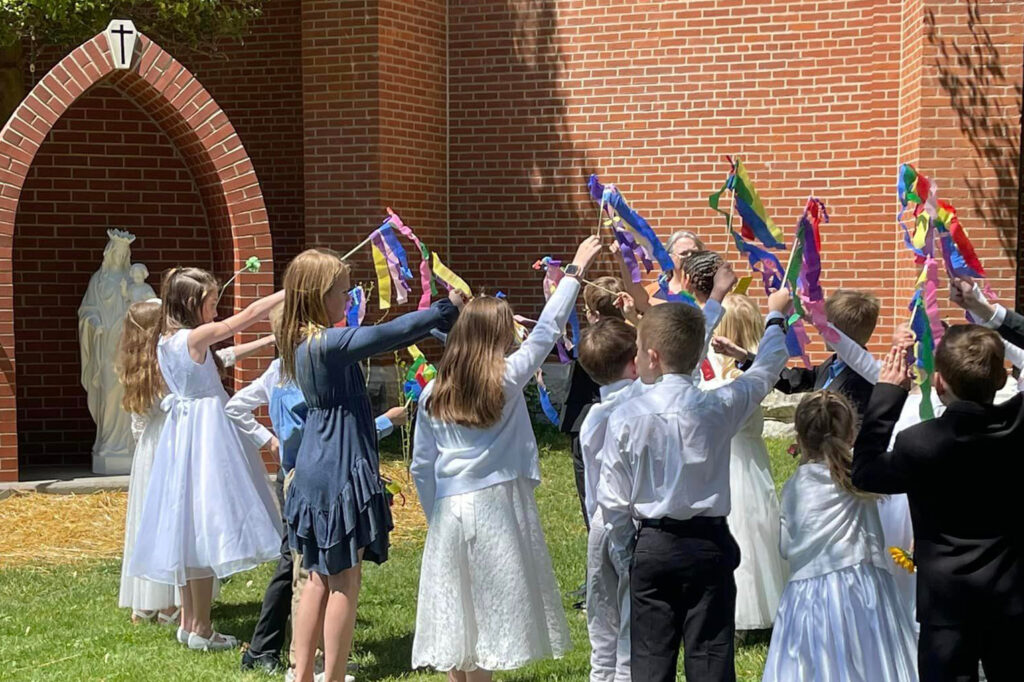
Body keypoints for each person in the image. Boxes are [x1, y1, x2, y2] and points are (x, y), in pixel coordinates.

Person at [410, 236, 603, 681]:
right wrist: (572, 271)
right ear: (498, 337)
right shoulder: (508, 378)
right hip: (495, 505)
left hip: (448, 509)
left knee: (455, 616)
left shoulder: (430, 393)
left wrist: (433, 512)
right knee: (489, 618)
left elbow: (422, 466)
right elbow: (548, 330)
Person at [281, 248, 463, 682]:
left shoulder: (302, 340)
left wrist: (437, 320)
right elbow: (389, 334)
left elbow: (392, 336)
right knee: (345, 578)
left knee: (317, 577)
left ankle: (303, 673)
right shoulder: (328, 343)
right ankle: (334, 675)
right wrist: (445, 308)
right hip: (339, 464)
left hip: (313, 463)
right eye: (342, 292)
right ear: (318, 295)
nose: (348, 299)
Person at [597, 283, 791, 682]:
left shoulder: (626, 416)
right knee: (711, 655)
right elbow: (767, 368)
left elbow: (613, 499)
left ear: (651, 357)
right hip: (708, 543)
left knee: (650, 659)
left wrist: (627, 550)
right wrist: (775, 317)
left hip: (652, 543)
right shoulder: (718, 405)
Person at [227, 307, 407, 676]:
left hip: (293, 476)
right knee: (311, 575)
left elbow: (235, 406)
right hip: (314, 478)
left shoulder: (277, 373)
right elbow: (335, 431)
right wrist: (386, 422)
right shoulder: (306, 373)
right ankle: (303, 661)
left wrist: (271, 441)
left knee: (302, 569)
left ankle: (290, 656)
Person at [853, 325, 1024, 682]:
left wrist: (886, 394)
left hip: (946, 604)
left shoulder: (920, 443)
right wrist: (987, 311)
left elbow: (865, 473)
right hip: (1011, 598)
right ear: (999, 378)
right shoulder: (1017, 428)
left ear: (939, 382)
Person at [129, 268, 285, 651]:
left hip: (181, 435)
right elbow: (245, 318)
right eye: (211, 301)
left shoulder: (164, 339)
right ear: (191, 304)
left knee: (187, 527)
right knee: (202, 526)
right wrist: (287, 292)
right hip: (204, 432)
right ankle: (199, 625)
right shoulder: (194, 337)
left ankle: (189, 621)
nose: (217, 307)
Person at [762, 391, 919, 681]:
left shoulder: (796, 487)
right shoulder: (860, 479)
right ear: (851, 433)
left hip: (806, 598)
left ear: (799, 435)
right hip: (865, 590)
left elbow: (785, 547)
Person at [702, 293, 788, 632]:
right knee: (752, 528)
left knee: (746, 531)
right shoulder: (749, 372)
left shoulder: (741, 378)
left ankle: (742, 610)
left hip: (738, 463)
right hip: (744, 460)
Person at [576, 317, 640, 682]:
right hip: (631, 518)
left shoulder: (593, 418)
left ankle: (601, 676)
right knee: (631, 624)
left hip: (600, 518)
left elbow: (592, 479)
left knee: (602, 620)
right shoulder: (640, 402)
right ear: (636, 361)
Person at [775, 289, 880, 415]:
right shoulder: (833, 363)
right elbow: (791, 381)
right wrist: (746, 359)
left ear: (835, 331)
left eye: (825, 325)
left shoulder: (861, 382)